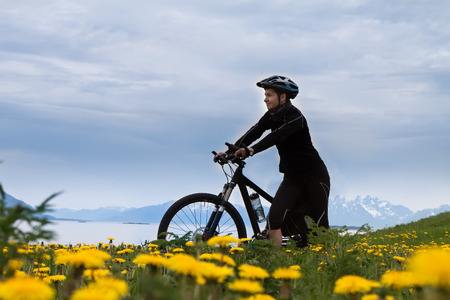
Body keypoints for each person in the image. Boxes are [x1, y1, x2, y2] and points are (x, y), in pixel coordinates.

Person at [216, 75, 330, 247]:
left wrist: (251, 150)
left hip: (314, 177)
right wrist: (231, 151)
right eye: (265, 94)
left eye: (269, 95)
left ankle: (327, 265)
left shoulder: (295, 118)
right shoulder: (271, 115)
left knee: (318, 227)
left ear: (282, 97)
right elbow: (256, 130)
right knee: (274, 220)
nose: (265, 99)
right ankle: (275, 265)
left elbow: (276, 136)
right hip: (292, 179)